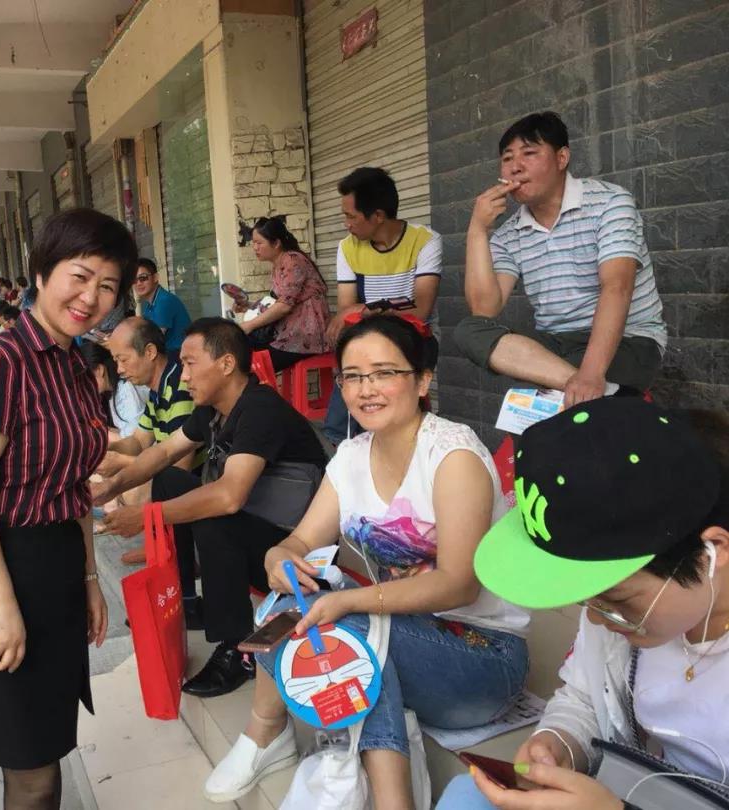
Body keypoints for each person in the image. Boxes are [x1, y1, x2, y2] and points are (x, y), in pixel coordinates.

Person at [203, 314, 529, 806]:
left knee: (346, 622)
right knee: (285, 605)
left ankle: (378, 793)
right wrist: (280, 555)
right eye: (352, 376)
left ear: (422, 381)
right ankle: (266, 732)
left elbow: (459, 584)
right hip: (402, 637)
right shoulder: (351, 456)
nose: (366, 389)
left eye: (384, 373)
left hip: (483, 659)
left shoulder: (452, 454)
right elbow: (301, 539)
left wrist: (351, 601)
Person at [436, 400, 728, 810]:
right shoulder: (620, 616)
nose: (595, 616)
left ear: (712, 552)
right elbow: (585, 698)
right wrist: (557, 744)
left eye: (617, 599)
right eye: (584, 597)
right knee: (466, 797)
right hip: (639, 790)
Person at [0, 208, 137, 808]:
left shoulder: (76, 365)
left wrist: (89, 579)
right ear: (43, 272)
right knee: (30, 768)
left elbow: (74, 485)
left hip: (58, 565)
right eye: (80, 276)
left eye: (108, 286)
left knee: (49, 743)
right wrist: (0, 604)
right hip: (0, 566)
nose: (91, 297)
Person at [94, 318, 329, 698]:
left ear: (226, 363)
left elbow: (230, 496)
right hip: (262, 531)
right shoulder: (213, 409)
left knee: (215, 514)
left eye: (190, 363)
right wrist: (112, 487)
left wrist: (147, 516)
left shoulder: (260, 408)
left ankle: (238, 648)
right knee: (170, 480)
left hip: (298, 552)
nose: (184, 376)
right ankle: (187, 600)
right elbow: (165, 452)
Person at [455, 111, 666, 407]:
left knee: (558, 408)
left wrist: (591, 373)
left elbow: (617, 287)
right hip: (556, 346)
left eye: (529, 153)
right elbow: (484, 309)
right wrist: (478, 229)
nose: (515, 166)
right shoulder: (507, 235)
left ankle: (591, 386)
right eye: (507, 158)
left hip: (629, 341)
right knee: (469, 330)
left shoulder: (611, 203)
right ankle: (611, 393)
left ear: (562, 158)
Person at [322, 167, 442, 444]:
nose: (346, 224)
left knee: (400, 419)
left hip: (414, 338)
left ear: (377, 215)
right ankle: (350, 456)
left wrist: (364, 310)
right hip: (366, 339)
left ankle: (413, 450)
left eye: (351, 216)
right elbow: (346, 311)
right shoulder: (347, 248)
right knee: (340, 424)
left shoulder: (425, 241)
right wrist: (360, 313)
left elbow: (420, 311)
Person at [98, 316, 205, 566]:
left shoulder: (179, 386)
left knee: (134, 487)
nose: (119, 369)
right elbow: (138, 440)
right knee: (115, 473)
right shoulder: (157, 390)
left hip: (199, 480)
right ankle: (160, 543)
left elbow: (180, 466)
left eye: (123, 360)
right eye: (115, 361)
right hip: (176, 473)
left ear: (149, 352)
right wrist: (106, 450)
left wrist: (121, 463)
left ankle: (170, 546)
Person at [238, 216, 331, 371]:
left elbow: (284, 306)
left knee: (251, 364)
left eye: (259, 243)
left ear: (276, 243)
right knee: (241, 348)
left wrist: (249, 325)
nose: (255, 248)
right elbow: (277, 302)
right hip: (287, 333)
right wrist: (248, 305)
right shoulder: (278, 264)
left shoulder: (293, 261)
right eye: (253, 243)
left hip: (305, 337)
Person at [80, 341, 149, 444]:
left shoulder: (126, 389)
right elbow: (124, 432)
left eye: (83, 381)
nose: (83, 388)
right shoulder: (115, 392)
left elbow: (136, 441)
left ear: (99, 370)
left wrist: (99, 432)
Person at [134, 258, 191, 352]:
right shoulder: (150, 304)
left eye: (143, 278)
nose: (138, 283)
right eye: (134, 280)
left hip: (180, 354)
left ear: (155, 277)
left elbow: (154, 340)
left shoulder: (164, 301)